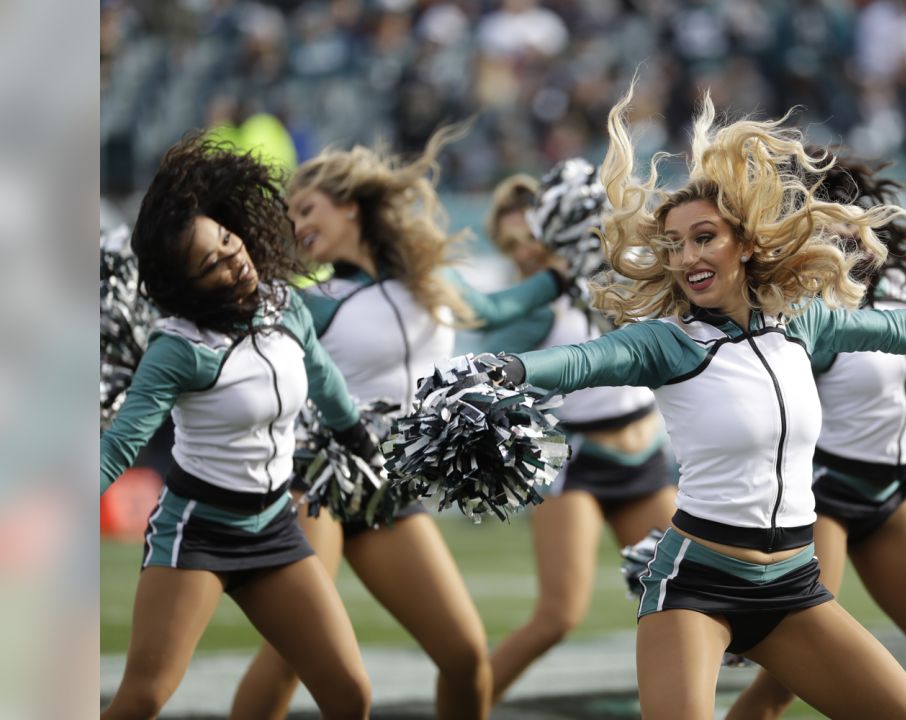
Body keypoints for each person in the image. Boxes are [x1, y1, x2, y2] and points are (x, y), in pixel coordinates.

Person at [488, 84, 906, 719]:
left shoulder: (803, 324)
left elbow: (895, 330)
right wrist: (506, 370)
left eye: (704, 237)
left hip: (792, 588)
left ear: (744, 242)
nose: (688, 256)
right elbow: (581, 363)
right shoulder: (671, 343)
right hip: (697, 587)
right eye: (676, 245)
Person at [230, 127, 567, 720]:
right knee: (294, 653)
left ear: (351, 204)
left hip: (388, 489)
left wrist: (565, 276)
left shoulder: (427, 280)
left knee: (465, 656)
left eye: (306, 208)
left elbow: (495, 309)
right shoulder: (316, 300)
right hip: (315, 484)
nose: (297, 224)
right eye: (290, 216)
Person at [99, 136, 374, 719]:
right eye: (212, 264)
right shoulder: (180, 348)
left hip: (274, 526)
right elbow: (121, 443)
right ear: (185, 287)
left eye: (228, 241)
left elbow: (321, 376)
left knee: (350, 692)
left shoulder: (283, 305)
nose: (235, 259)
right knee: (144, 697)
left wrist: (354, 433)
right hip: (197, 533)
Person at [726, 158, 906, 720]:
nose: (845, 228)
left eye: (851, 215)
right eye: (828, 219)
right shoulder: (807, 305)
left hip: (894, 498)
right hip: (826, 502)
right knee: (782, 686)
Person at [480, 164, 679, 700]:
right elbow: (494, 357)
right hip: (579, 463)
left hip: (647, 457)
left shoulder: (620, 274)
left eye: (529, 236)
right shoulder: (533, 302)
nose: (523, 250)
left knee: (685, 600)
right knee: (558, 616)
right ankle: (459, 705)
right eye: (509, 243)